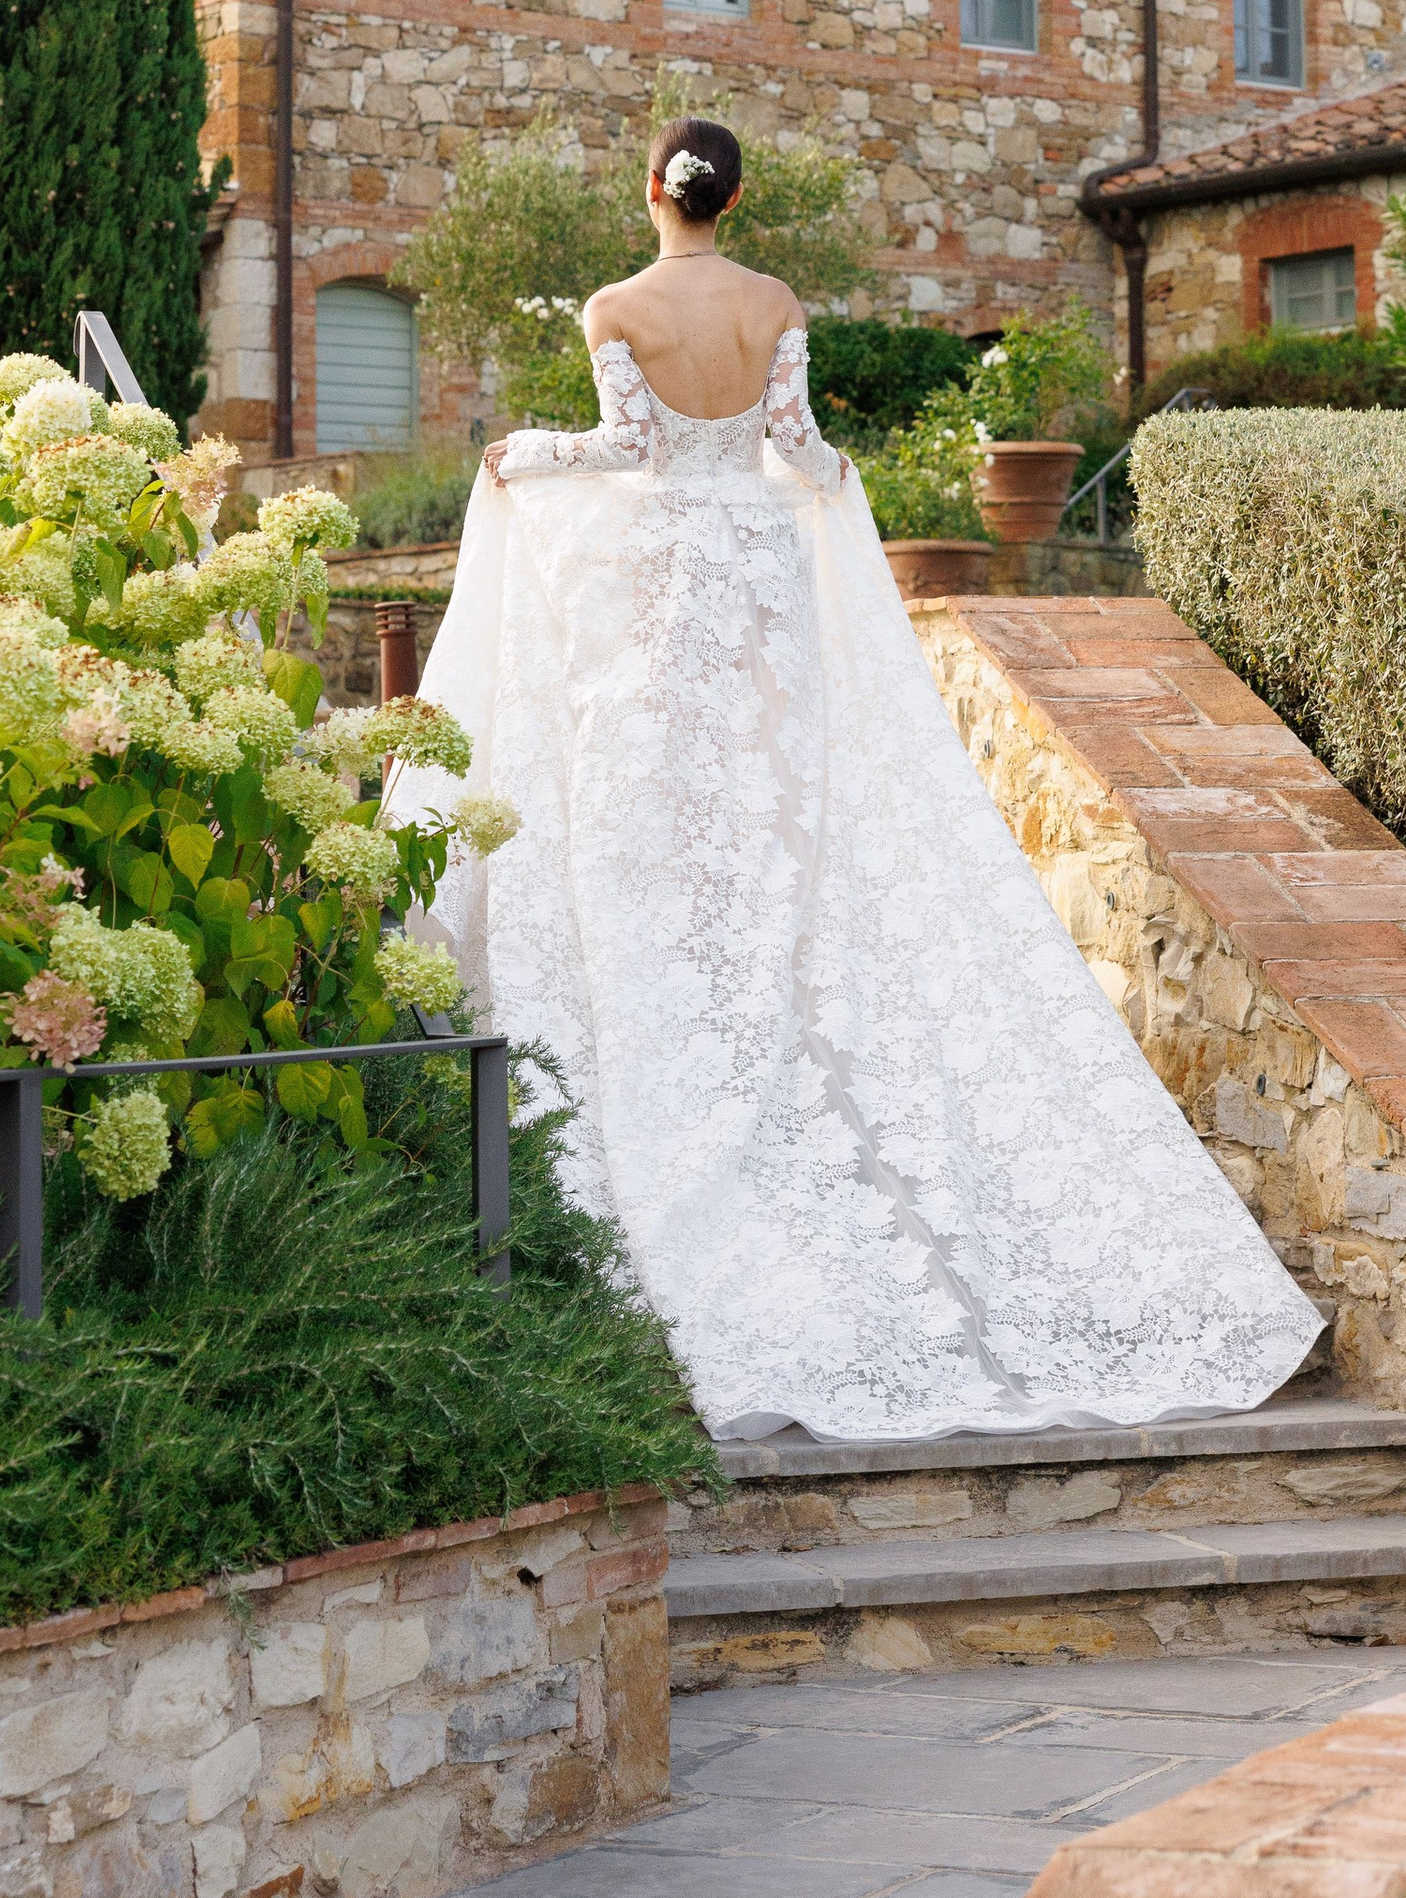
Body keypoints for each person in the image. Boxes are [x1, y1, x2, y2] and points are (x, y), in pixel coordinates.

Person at [388, 111, 1320, 1441]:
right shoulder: (773, 302)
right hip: (757, 602)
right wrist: (843, 491)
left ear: (653, 189)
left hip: (659, 610)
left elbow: (621, 455)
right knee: (763, 833)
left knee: (658, 840)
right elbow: (800, 451)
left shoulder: (615, 303)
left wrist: (521, 457)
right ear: (737, 190)